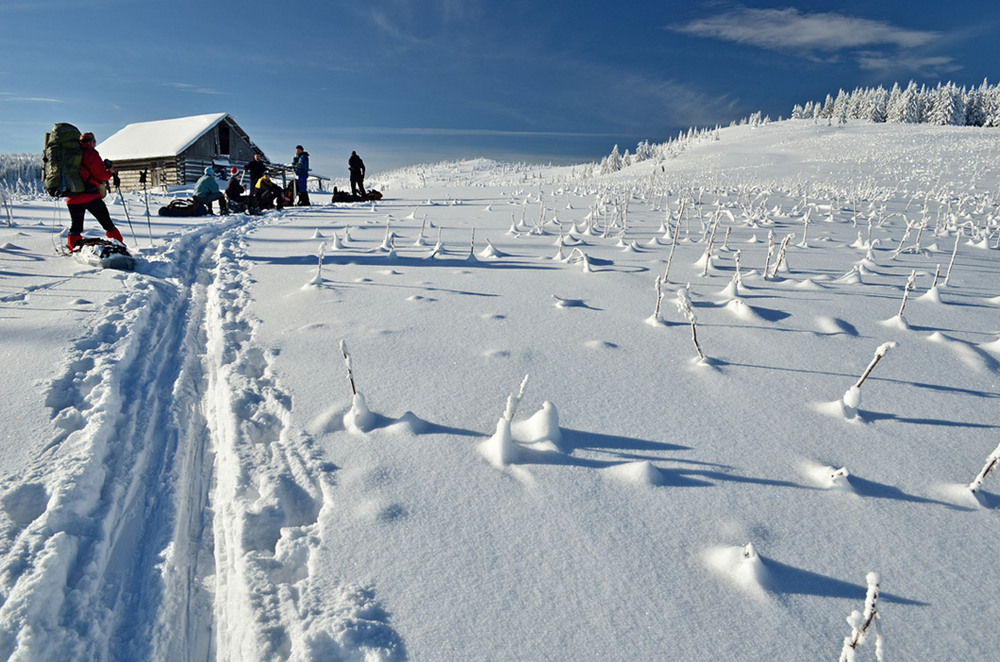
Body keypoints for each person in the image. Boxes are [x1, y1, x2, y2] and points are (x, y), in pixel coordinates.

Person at [65, 132, 125, 251]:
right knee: (107, 223)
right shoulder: (91, 153)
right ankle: (119, 245)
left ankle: (73, 247)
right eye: (94, 141)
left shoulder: (70, 154)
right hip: (90, 195)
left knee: (76, 226)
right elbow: (101, 175)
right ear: (91, 141)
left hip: (72, 196)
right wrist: (110, 172)